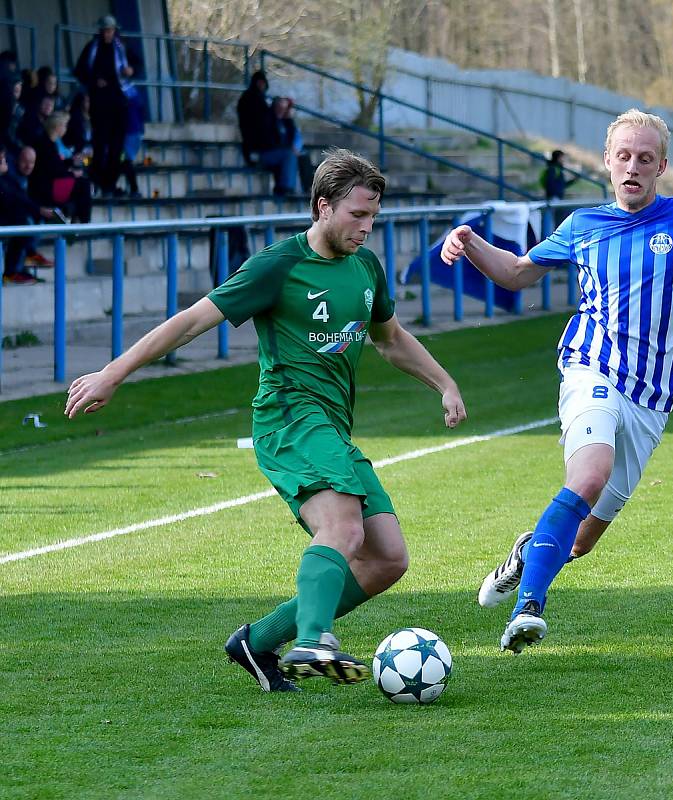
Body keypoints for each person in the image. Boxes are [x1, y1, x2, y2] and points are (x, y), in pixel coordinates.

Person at [65, 149, 467, 690]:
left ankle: (256, 643)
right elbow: (191, 321)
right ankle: (313, 639)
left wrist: (443, 383)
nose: (366, 228)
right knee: (342, 527)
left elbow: (390, 339)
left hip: (330, 428)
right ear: (323, 206)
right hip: (288, 420)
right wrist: (114, 372)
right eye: (356, 214)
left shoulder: (365, 266)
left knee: (387, 558)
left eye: (373, 217)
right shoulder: (278, 266)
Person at [441, 108, 673, 654]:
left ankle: (527, 553)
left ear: (662, 166)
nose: (632, 167)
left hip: (653, 396)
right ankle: (529, 607)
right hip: (592, 367)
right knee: (589, 473)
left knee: (582, 540)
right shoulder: (584, 226)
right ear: (608, 164)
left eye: (644, 158)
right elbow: (518, 273)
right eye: (623, 157)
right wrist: (469, 243)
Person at [74, 15, 134, 196]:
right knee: (100, 147)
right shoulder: (92, 48)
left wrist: (131, 70)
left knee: (117, 148)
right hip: (100, 104)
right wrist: (94, 81)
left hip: (118, 103)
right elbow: (80, 71)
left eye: (110, 30)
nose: (108, 34)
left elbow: (135, 64)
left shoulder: (120, 48)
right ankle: (98, 182)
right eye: (105, 30)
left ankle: (110, 183)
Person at [0, 146, 57, 284]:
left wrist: (39, 211)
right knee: (24, 220)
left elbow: (18, 194)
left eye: (4, 160)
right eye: (1, 161)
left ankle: (25, 261)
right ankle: (13, 270)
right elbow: (12, 195)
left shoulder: (7, 177)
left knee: (30, 216)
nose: (5, 164)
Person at [236, 71, 297, 195]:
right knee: (288, 155)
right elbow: (261, 134)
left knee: (296, 156)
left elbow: (290, 136)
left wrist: (288, 120)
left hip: (265, 149)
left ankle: (291, 188)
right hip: (257, 151)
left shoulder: (275, 117)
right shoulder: (254, 103)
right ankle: (284, 188)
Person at [29, 112, 92, 223]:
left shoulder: (50, 142)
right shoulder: (45, 143)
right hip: (45, 187)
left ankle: (76, 219)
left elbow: (56, 164)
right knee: (84, 185)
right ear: (57, 126)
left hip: (50, 182)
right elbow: (55, 171)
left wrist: (72, 161)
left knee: (82, 183)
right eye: (64, 125)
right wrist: (73, 174)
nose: (66, 128)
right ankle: (84, 223)